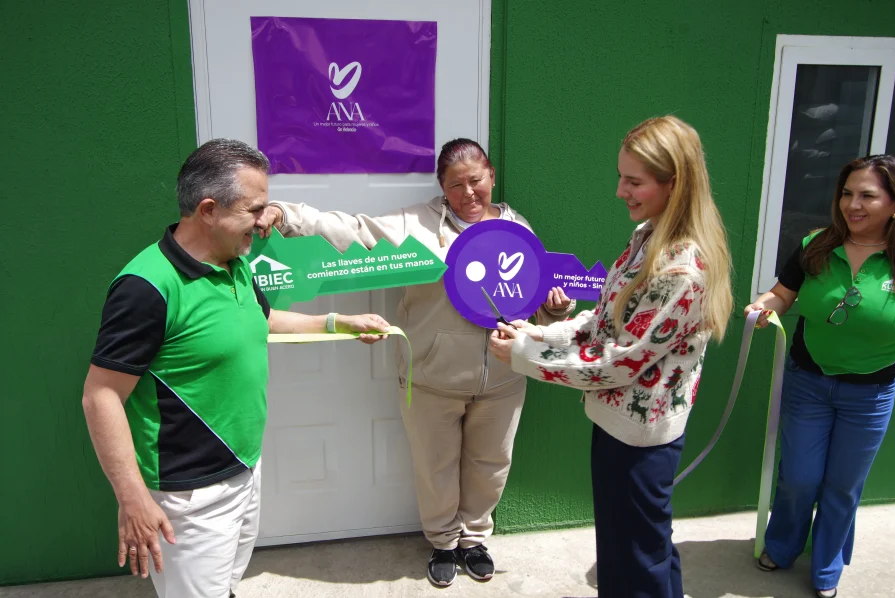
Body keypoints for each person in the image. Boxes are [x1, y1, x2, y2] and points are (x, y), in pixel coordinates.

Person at [259, 138, 576, 586]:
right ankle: (443, 542)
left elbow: (533, 304)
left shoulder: (517, 229)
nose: (468, 193)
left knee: (491, 466)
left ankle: (474, 539)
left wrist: (557, 309)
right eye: (455, 185)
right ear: (442, 188)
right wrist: (287, 215)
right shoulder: (417, 226)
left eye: (476, 180)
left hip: (504, 379)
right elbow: (353, 231)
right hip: (431, 377)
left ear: (491, 175)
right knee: (435, 468)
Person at [82, 139, 390, 598]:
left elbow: (261, 320)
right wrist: (132, 498)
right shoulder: (146, 287)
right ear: (208, 210)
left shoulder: (234, 261)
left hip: (245, 468)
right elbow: (100, 395)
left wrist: (336, 322)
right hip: (189, 494)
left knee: (225, 585)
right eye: (255, 209)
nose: (266, 220)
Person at [488, 116, 733, 598]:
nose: (621, 191)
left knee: (635, 562)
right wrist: (539, 333)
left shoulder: (681, 269)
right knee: (643, 545)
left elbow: (619, 360)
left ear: (675, 183)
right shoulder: (649, 237)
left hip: (640, 440)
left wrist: (524, 354)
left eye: (634, 181)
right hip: (619, 426)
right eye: (622, 177)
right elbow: (608, 317)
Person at [745, 154, 895, 598]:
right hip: (808, 383)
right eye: (847, 193)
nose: (853, 204)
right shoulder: (815, 244)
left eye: (867, 195)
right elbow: (782, 294)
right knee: (799, 478)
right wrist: (762, 307)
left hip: (870, 395)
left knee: (842, 486)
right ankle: (782, 546)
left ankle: (827, 566)